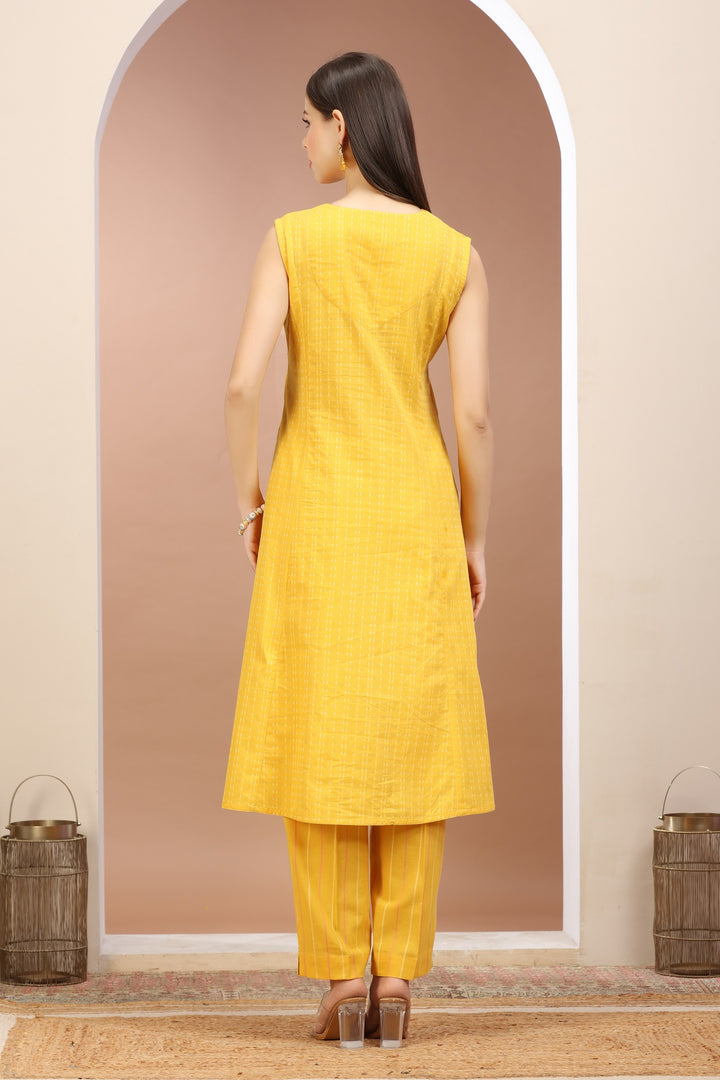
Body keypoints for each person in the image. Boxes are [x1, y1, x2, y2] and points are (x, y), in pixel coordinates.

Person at [222, 51, 494, 1046]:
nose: (302, 141)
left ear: (342, 124)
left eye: (306, 122)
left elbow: (241, 386)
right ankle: (398, 981)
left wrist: (250, 502)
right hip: (417, 519)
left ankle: (343, 978)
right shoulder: (455, 254)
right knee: (415, 744)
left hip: (315, 515)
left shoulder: (292, 239)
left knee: (322, 737)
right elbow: (474, 415)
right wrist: (474, 536)